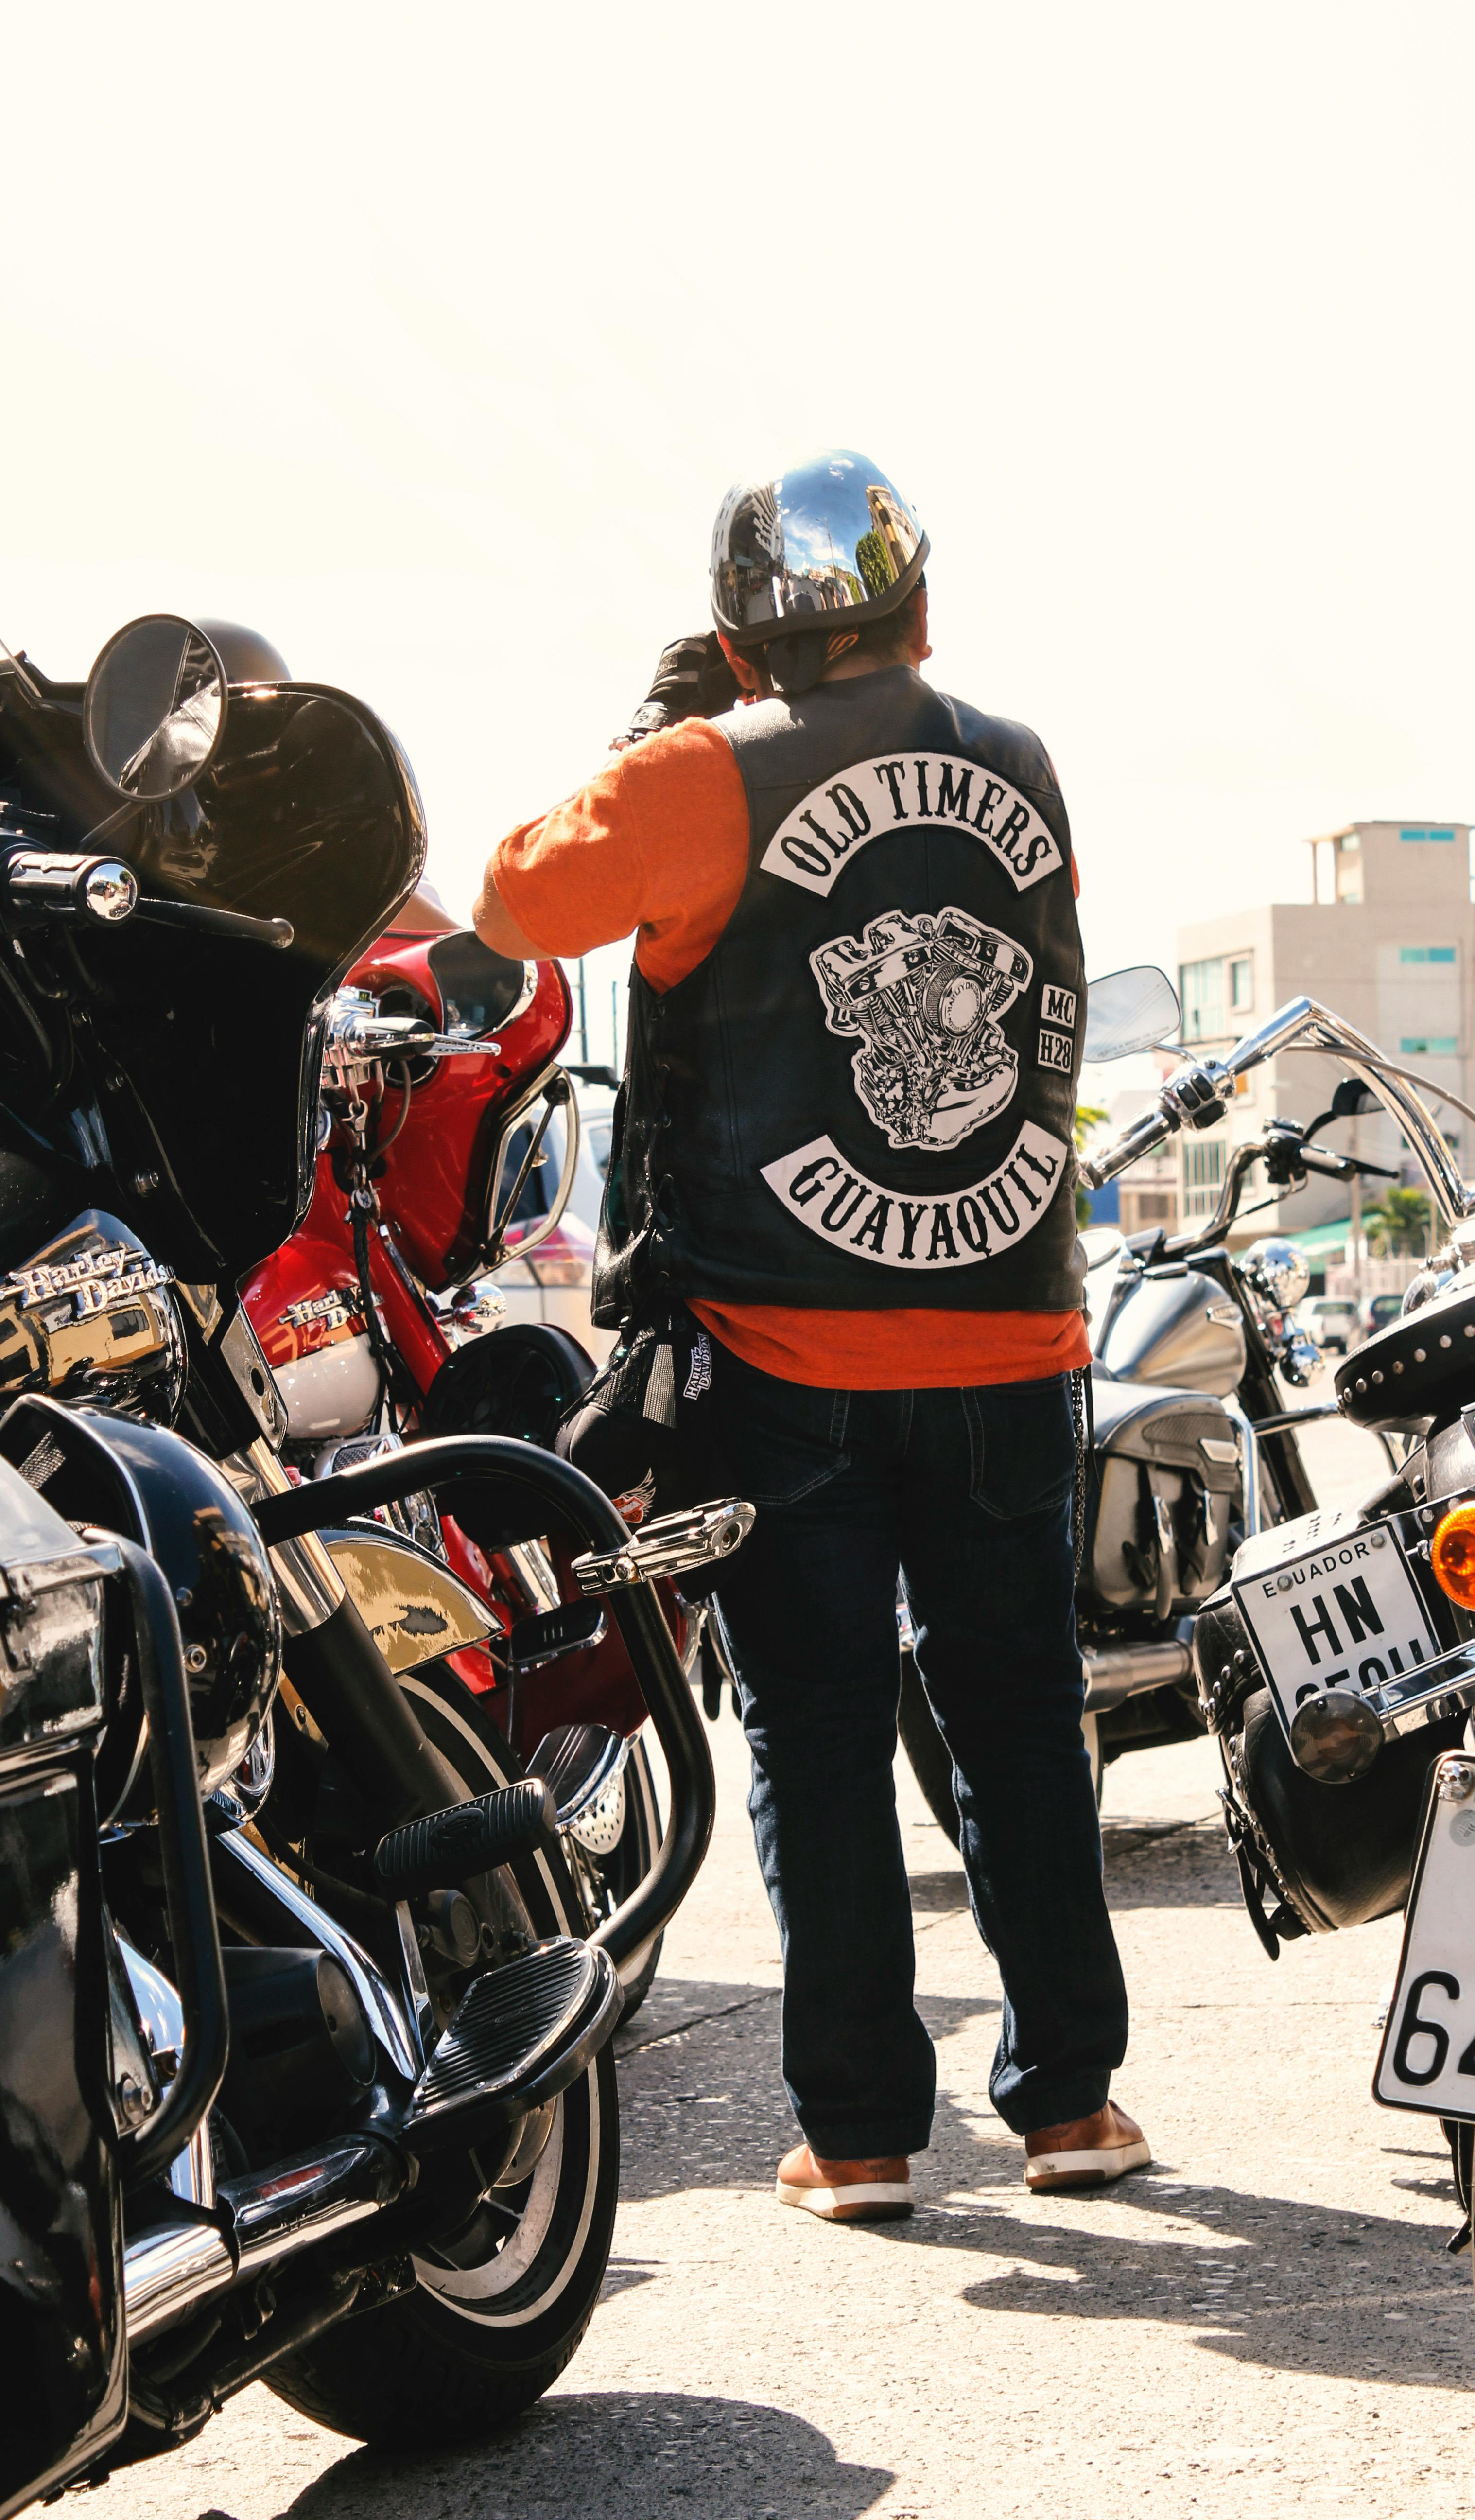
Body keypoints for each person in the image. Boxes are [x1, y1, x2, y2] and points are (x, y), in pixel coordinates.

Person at [474, 450, 1144, 2222]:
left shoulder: (705, 773)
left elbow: (509, 904)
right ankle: (1074, 2107)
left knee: (818, 1738)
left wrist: (662, 732)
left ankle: (859, 2137)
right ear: (921, 611)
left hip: (791, 1355)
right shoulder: (1024, 763)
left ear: (734, 639)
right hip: (1011, 1334)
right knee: (1018, 1723)